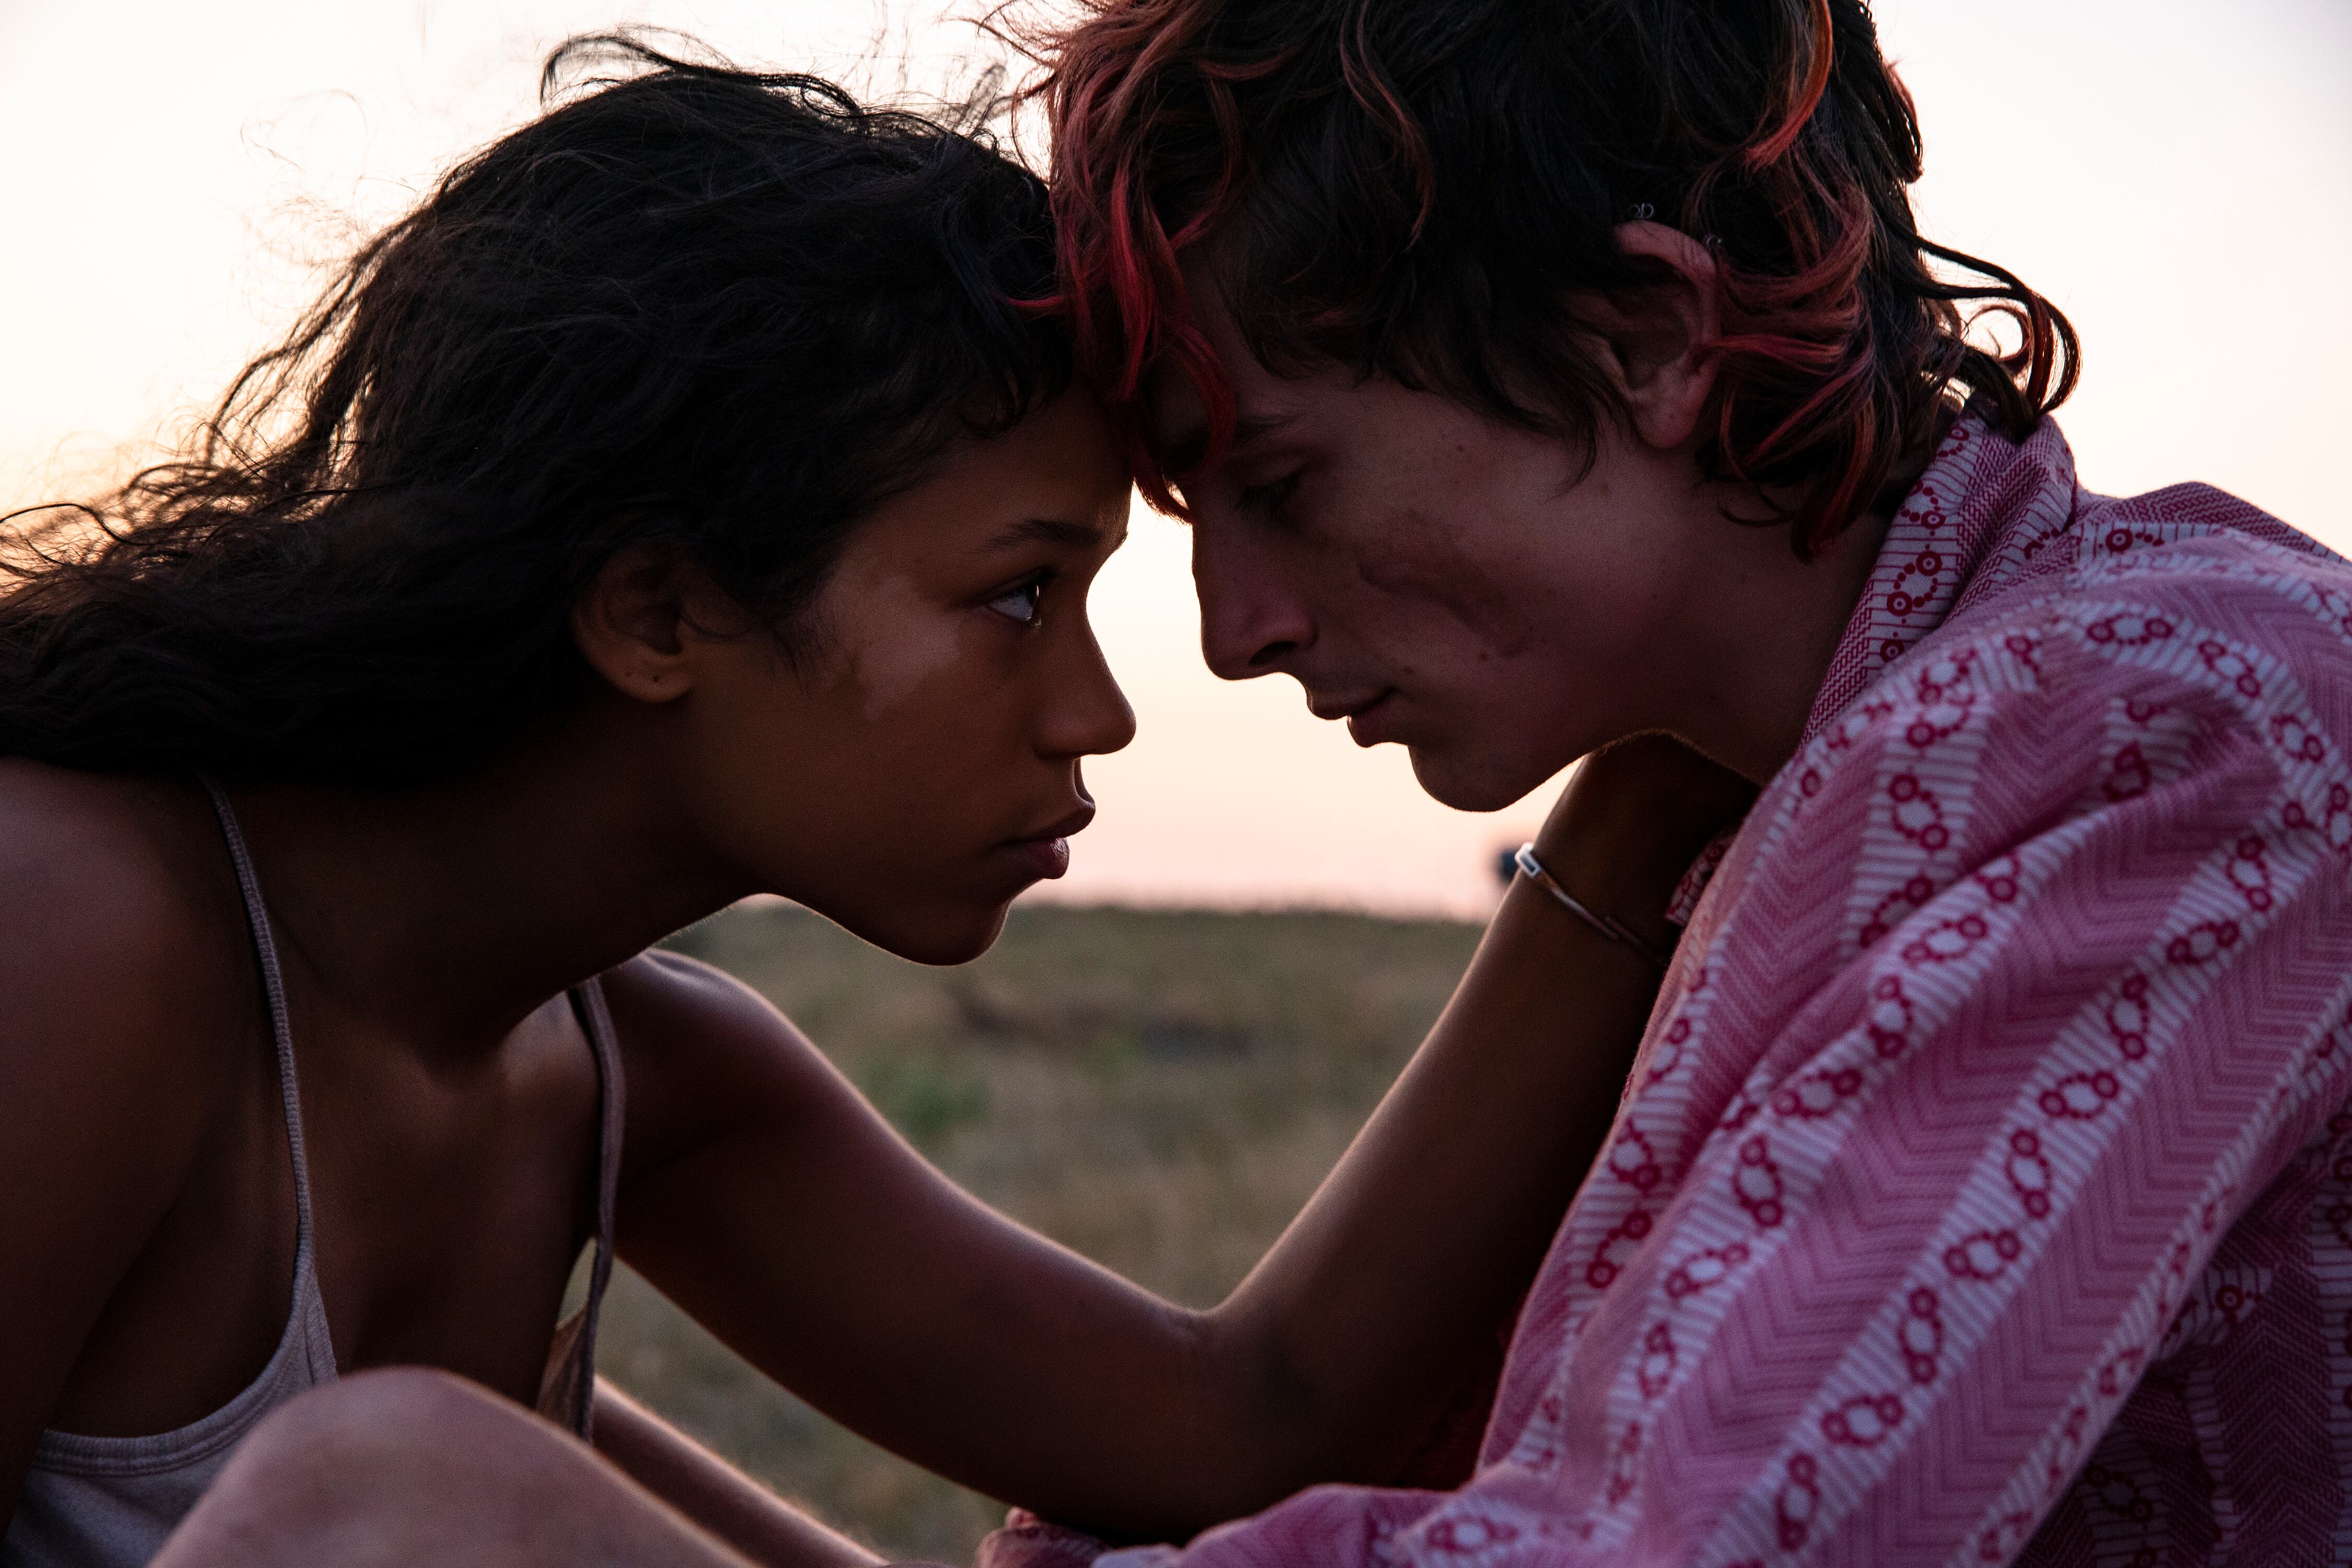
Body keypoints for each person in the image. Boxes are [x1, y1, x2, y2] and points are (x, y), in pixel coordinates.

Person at [0, 36, 1751, 1568]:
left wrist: (1655, 771)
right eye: (1018, 592)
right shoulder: (80, 926)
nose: (1100, 713)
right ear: (659, 613)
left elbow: (1238, 1423)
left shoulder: (622, 1071)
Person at [967, 1, 2352, 1564]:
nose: (1234, 633)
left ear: (1644, 341)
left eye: (1283, 484)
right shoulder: (1796, 772)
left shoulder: (2164, 732)